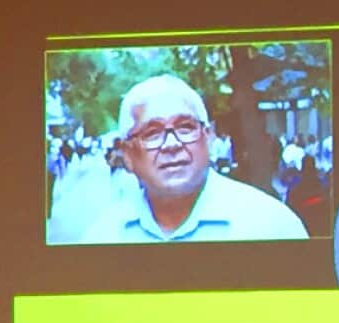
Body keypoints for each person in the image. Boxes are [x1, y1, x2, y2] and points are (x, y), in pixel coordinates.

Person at [76, 75, 308, 244]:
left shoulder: (273, 225)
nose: (172, 144)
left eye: (185, 127)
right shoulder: (103, 236)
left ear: (208, 137)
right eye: (152, 133)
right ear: (127, 155)